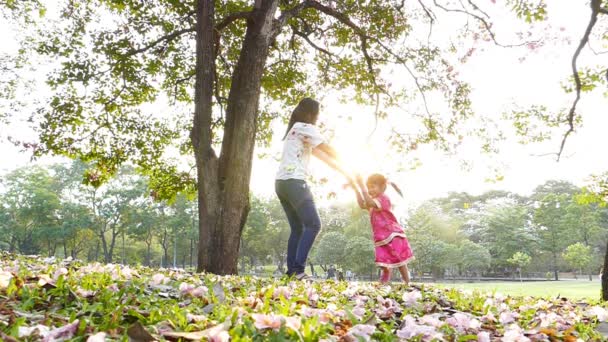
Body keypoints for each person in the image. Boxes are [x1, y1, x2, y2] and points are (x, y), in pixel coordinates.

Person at [275, 98, 353, 280]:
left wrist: (346, 172)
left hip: (281, 183)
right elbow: (328, 149)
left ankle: (292, 272)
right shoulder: (305, 127)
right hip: (295, 182)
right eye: (317, 114)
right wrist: (350, 161)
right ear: (312, 114)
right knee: (314, 224)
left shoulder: (294, 131)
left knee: (298, 228)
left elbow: (321, 154)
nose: (317, 118)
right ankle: (299, 270)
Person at [351, 173, 414, 284]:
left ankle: (407, 282)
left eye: (373, 186)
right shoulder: (373, 200)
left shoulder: (383, 199)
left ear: (382, 187)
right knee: (383, 261)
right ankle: (384, 282)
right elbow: (362, 204)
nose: (370, 190)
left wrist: (361, 186)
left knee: (399, 260)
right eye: (368, 187)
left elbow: (369, 202)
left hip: (392, 234)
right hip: (381, 236)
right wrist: (356, 189)